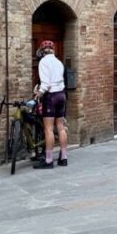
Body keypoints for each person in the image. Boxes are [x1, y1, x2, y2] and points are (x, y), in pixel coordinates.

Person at [33, 40, 68, 169]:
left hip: (51, 96)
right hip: (61, 95)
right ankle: (63, 158)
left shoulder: (43, 62)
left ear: (42, 51)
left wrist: (39, 93)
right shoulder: (59, 62)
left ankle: (48, 160)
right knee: (60, 127)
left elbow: (46, 83)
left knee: (48, 129)